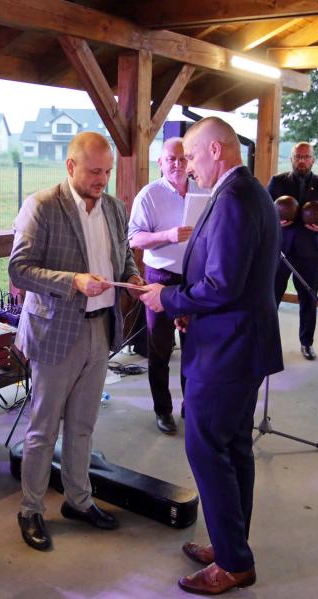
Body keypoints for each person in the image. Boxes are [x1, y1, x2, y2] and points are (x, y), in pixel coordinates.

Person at [139, 117, 283, 595]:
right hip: (235, 339)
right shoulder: (248, 191)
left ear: (217, 151)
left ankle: (234, 562)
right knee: (234, 446)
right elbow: (229, 278)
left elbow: (222, 284)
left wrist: (170, 299)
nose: (189, 167)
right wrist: (190, 308)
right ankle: (229, 544)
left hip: (228, 349)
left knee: (206, 447)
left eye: (194, 157)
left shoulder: (235, 198)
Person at [9, 131, 142, 552]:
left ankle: (78, 500)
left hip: (100, 329)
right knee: (43, 429)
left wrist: (132, 276)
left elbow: (124, 255)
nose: (102, 179)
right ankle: (30, 509)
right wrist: (73, 282)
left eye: (108, 171)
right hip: (55, 333)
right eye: (94, 171)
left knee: (83, 425)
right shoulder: (43, 206)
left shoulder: (115, 208)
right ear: (71, 166)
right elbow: (19, 269)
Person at [128, 137, 203, 434]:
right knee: (159, 348)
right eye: (171, 159)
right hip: (160, 277)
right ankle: (163, 410)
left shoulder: (202, 189)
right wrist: (167, 236)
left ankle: (191, 406)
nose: (178, 164)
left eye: (183, 158)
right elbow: (134, 238)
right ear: (160, 162)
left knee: (193, 347)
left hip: (195, 278)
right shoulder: (149, 195)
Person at [266, 142, 318, 360]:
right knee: (271, 298)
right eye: (298, 156)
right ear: (292, 159)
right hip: (280, 252)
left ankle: (307, 343)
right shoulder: (277, 182)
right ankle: (265, 343)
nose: (302, 161)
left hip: (310, 253)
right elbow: (264, 211)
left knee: (308, 299)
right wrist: (274, 222)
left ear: (313, 160)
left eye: (306, 157)